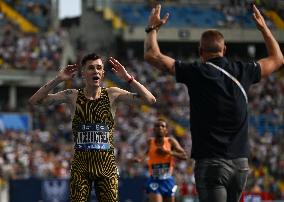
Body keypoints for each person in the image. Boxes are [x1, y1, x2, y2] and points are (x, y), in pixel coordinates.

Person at [144, 4, 283, 202]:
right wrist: (264, 28)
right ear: (224, 50)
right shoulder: (244, 70)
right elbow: (277, 59)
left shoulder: (195, 71)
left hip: (211, 163)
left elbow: (152, 55)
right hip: (240, 165)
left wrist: (152, 29)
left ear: (200, 51)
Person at [29, 53, 156, 202]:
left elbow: (150, 100)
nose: (95, 71)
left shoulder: (112, 94)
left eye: (99, 68)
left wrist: (128, 78)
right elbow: (35, 100)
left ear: (102, 73)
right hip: (81, 165)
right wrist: (58, 79)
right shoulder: (72, 96)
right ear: (83, 73)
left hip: (106, 164)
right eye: (90, 68)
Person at [132, 118, 187, 202]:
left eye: (162, 126)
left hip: (168, 180)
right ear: (154, 129)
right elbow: (147, 152)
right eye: (157, 126)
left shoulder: (170, 141)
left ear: (166, 130)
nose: (160, 128)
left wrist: (168, 152)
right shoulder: (150, 142)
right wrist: (139, 159)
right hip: (154, 180)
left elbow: (184, 156)